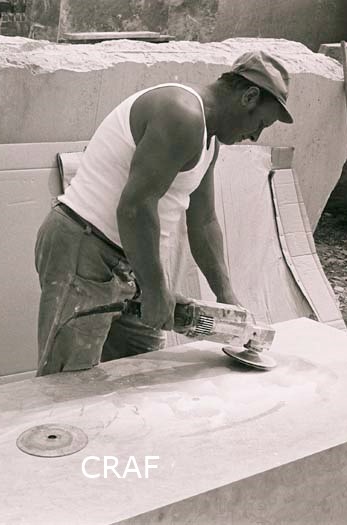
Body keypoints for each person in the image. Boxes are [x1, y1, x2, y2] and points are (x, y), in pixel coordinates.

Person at [35, 50, 294, 376]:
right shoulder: (181, 113)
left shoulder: (209, 140)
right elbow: (135, 208)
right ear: (249, 96)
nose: (255, 136)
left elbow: (204, 222)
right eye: (261, 123)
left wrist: (226, 295)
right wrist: (156, 289)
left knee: (140, 377)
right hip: (85, 250)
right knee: (69, 382)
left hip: (134, 260)